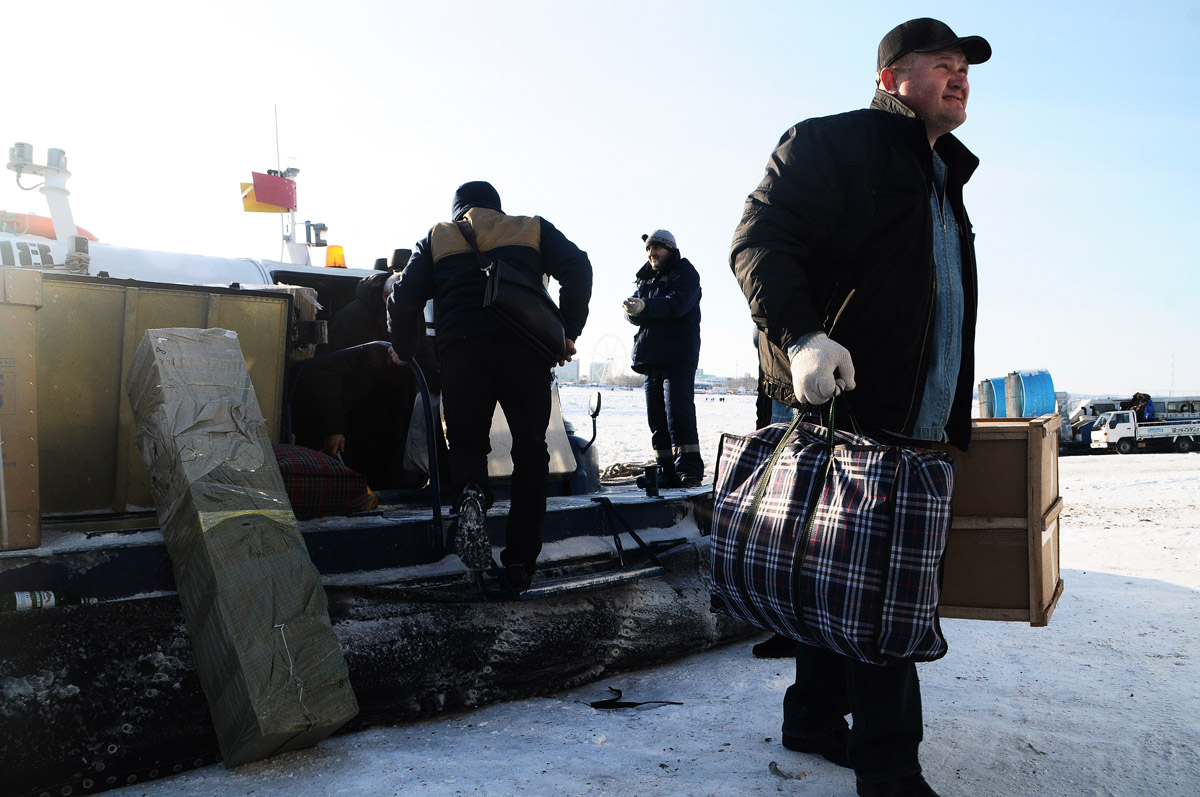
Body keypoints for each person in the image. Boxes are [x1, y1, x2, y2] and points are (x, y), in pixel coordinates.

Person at [729, 18, 991, 797]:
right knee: (881, 597)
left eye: (965, 69)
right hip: (847, 406)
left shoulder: (943, 175)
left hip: (917, 418)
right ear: (889, 79)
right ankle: (891, 771)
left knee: (839, 576)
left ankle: (812, 717)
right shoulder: (831, 143)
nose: (958, 77)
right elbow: (758, 241)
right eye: (939, 64)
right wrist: (803, 336)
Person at [387, 181, 592, 592]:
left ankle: (471, 497)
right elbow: (579, 267)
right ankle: (520, 562)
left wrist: (405, 350)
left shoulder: (438, 236)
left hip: (463, 356)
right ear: (496, 205)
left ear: (459, 207)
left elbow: (404, 298)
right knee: (531, 453)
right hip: (527, 353)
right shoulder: (531, 227)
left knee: (465, 444)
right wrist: (567, 331)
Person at [293, 271, 423, 489]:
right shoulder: (354, 319)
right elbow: (327, 374)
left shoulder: (409, 310)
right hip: (340, 409)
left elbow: (424, 353)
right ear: (386, 296)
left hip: (379, 407)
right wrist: (333, 428)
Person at [623, 229, 704, 487]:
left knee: (678, 414)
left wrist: (645, 307)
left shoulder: (685, 273)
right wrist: (632, 311)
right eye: (648, 249)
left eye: (656, 248)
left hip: (677, 355)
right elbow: (639, 313)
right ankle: (666, 471)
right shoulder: (645, 278)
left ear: (670, 249)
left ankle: (689, 471)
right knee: (656, 420)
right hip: (652, 357)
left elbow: (676, 305)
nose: (651, 253)